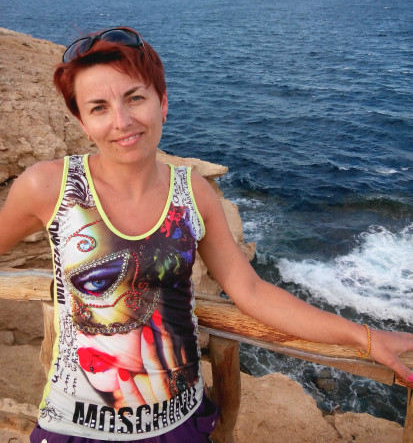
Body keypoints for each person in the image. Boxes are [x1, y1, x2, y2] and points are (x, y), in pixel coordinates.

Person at [0, 27, 412, 443]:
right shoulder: (49, 186)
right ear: (83, 122)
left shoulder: (192, 193)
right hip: (76, 427)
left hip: (179, 425)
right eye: (99, 107)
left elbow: (250, 290)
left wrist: (363, 336)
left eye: (135, 98)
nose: (121, 121)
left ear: (163, 103)